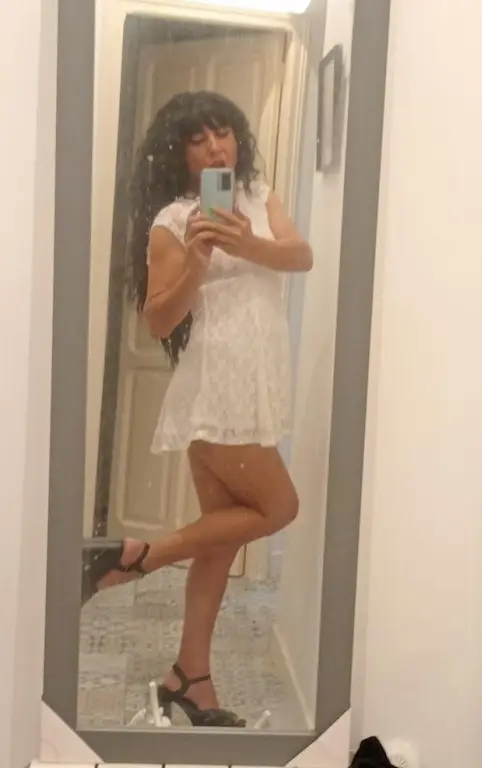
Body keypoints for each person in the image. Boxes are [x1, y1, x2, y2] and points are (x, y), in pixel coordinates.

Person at [82, 91, 313, 727]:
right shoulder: (174, 219)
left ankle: (190, 680)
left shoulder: (259, 198)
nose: (215, 148)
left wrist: (246, 241)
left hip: (258, 384)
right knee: (280, 507)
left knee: (219, 544)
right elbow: (159, 318)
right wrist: (200, 259)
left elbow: (301, 255)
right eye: (198, 140)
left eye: (223, 133)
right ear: (180, 155)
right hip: (217, 388)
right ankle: (135, 557)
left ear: (238, 139)